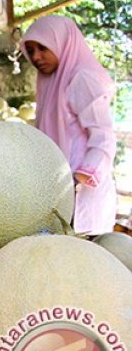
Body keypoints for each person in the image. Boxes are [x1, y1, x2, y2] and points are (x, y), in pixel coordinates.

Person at [20, 15, 117, 235]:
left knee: (83, 260)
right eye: (31, 50)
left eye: (43, 48)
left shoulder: (82, 79)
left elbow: (104, 139)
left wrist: (78, 179)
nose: (36, 57)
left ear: (61, 43)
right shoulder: (49, 81)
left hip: (82, 194)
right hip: (59, 193)